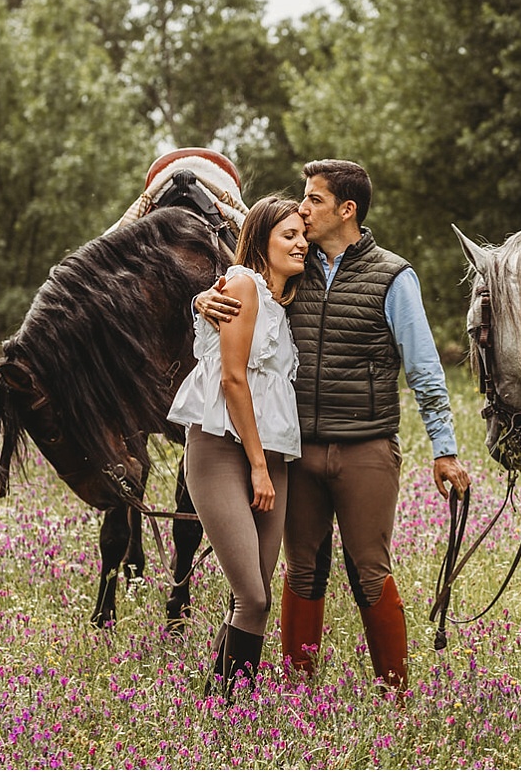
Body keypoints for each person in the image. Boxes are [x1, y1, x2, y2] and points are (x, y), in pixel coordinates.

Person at [198, 159, 470, 692]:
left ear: (346, 210)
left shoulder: (393, 276)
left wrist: (445, 449)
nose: (303, 209)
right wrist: (203, 298)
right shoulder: (291, 273)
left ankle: (395, 695)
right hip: (297, 452)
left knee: (369, 570)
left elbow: (424, 369)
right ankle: (301, 695)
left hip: (366, 447)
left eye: (314, 200)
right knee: (302, 571)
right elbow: (244, 295)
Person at [168, 196, 307, 697]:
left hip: (270, 455)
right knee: (253, 595)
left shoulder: (282, 300)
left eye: (303, 235)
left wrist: (269, 465)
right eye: (288, 235)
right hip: (224, 452)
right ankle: (230, 709)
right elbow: (232, 379)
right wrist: (258, 468)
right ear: (261, 239)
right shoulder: (243, 284)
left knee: (255, 594)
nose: (301, 244)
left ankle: (219, 704)